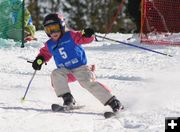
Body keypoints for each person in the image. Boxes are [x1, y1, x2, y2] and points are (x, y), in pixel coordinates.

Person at [32, 13, 123, 112]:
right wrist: (39, 60)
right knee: (56, 74)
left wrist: (87, 34)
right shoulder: (50, 44)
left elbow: (83, 37)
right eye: (49, 30)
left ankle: (113, 102)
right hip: (66, 71)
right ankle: (68, 99)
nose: (53, 32)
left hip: (81, 68)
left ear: (62, 26)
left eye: (55, 27)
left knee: (87, 83)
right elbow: (44, 53)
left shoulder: (70, 35)